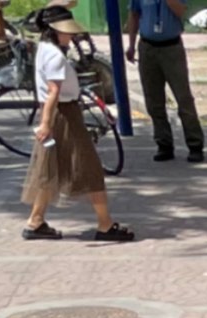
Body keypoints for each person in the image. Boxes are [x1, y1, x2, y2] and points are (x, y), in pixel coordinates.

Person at [21, 7, 133, 242]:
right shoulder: (55, 56)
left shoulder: (44, 48)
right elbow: (54, 92)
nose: (71, 36)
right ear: (54, 31)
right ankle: (105, 224)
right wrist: (45, 124)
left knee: (49, 167)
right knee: (90, 167)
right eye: (66, 32)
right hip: (65, 115)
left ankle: (36, 220)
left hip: (57, 113)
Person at [130, 0, 204, 163]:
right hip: (148, 47)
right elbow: (134, 15)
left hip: (171, 48)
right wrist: (131, 45)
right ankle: (164, 144)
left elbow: (180, 11)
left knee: (183, 98)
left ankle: (195, 144)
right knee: (153, 100)